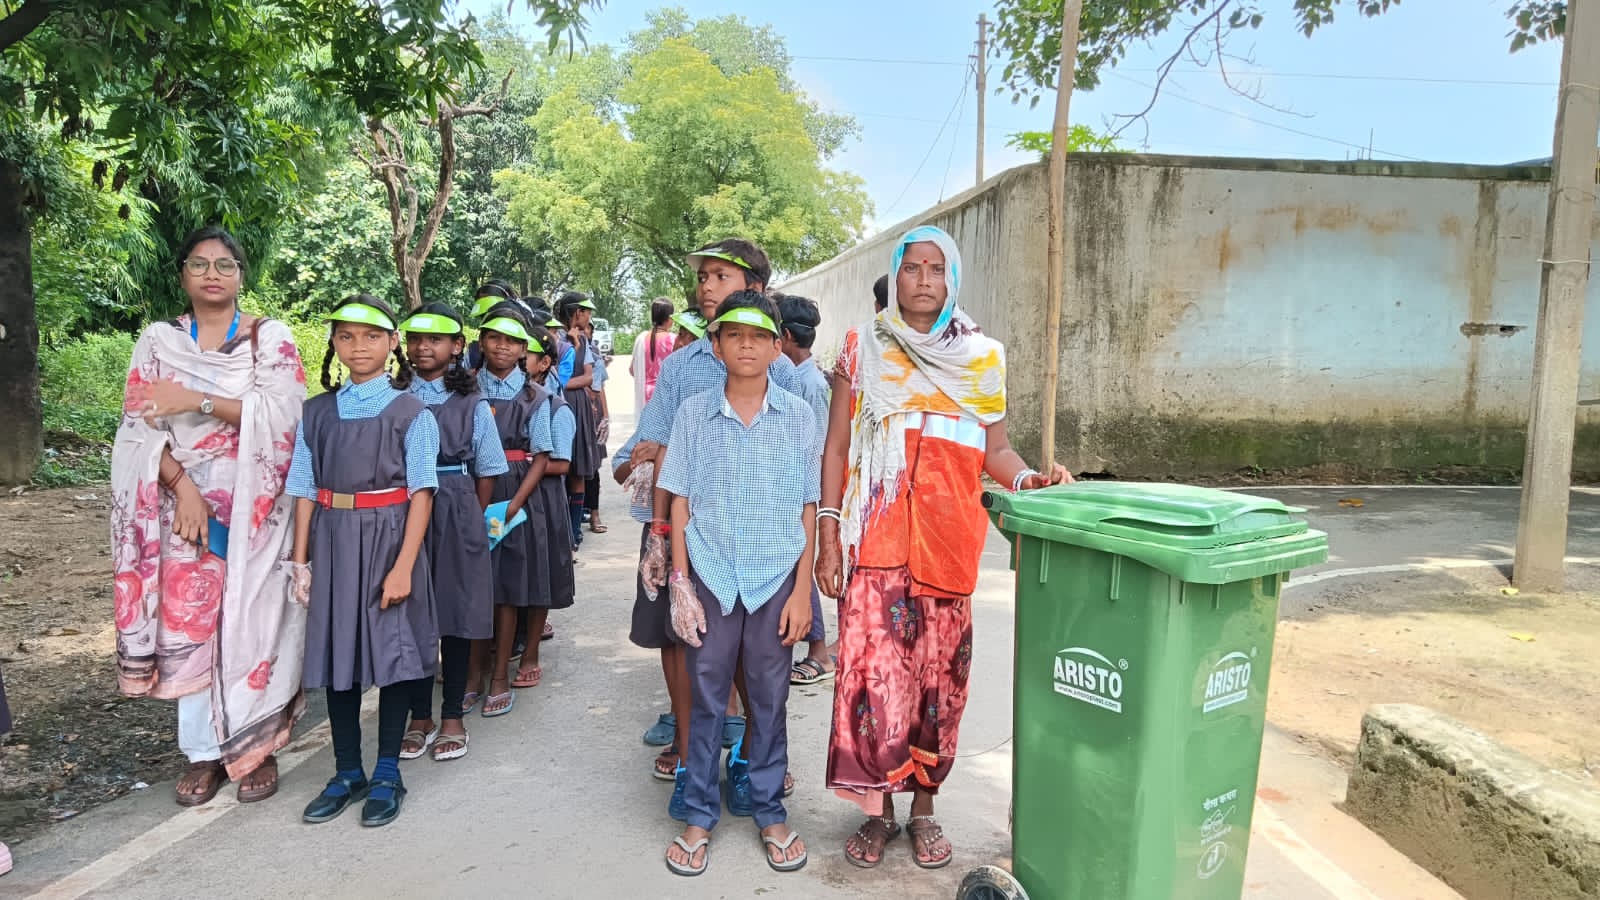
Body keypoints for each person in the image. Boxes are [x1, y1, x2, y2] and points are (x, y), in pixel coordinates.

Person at [818, 225, 1070, 868]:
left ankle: (924, 809)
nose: (924, 280)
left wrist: (1028, 481)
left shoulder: (982, 358)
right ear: (896, 274)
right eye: (913, 267)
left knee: (939, 684)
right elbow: (838, 447)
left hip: (948, 544)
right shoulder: (861, 348)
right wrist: (828, 533)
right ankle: (878, 811)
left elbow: (996, 450)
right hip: (874, 542)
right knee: (873, 683)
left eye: (937, 268)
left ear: (952, 278)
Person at [111, 225, 307, 808]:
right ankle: (202, 753)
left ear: (241, 275)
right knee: (191, 623)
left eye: (225, 264)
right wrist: (183, 488)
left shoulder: (269, 339)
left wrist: (194, 400)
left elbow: (284, 417)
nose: (212, 274)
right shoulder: (157, 341)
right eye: (199, 264)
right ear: (183, 275)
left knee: (253, 620)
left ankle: (257, 749)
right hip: (182, 508)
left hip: (258, 509)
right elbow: (136, 429)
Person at [613, 238, 801, 788]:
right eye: (703, 277)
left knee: (755, 647)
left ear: (756, 290)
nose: (707, 286)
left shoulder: (784, 375)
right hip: (684, 528)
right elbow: (647, 450)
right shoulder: (679, 368)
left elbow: (801, 473)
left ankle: (751, 751)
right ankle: (686, 739)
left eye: (721, 276)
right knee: (683, 636)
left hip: (759, 534)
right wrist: (658, 528)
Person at [657, 292, 818, 877]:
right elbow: (679, 500)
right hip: (711, 574)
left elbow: (808, 505)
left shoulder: (798, 415)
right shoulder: (694, 412)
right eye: (734, 335)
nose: (746, 345)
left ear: (777, 347)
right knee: (706, 696)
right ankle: (699, 814)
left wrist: (801, 591)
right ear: (717, 345)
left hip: (776, 575)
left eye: (758, 336)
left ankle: (770, 811)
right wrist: (680, 581)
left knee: (770, 697)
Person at [288, 295, 440, 828]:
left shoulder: (412, 412)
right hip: (332, 540)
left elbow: (422, 492)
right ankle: (347, 770)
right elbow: (304, 488)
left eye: (372, 336)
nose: (359, 346)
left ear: (392, 343)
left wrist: (404, 566)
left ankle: (387, 772)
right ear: (333, 342)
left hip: (389, 541)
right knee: (339, 657)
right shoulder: (316, 411)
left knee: (392, 654)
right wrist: (300, 561)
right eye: (346, 336)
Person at [400, 304, 508, 761]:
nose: (423, 347)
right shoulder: (393, 396)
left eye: (435, 339)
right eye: (415, 339)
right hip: (401, 509)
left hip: (456, 503)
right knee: (410, 612)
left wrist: (470, 517)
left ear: (457, 346)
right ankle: (418, 716)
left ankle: (451, 717)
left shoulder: (472, 403)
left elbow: (488, 469)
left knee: (457, 611)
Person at [474, 311, 554, 716]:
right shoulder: (467, 389)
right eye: (493, 337)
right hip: (472, 488)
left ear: (524, 349)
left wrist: (515, 504)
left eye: (511, 341)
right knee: (474, 583)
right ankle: (473, 671)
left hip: (515, 492)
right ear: (481, 342)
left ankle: (501, 676)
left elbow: (542, 456)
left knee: (508, 584)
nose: (501, 346)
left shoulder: (534, 397)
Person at [776, 294, 835, 687]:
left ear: (784, 337)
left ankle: (819, 651)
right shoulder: (804, 377)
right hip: (797, 481)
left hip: (804, 485)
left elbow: (817, 445)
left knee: (801, 565)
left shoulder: (806, 383)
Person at [555, 292, 602, 550]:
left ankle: (574, 531)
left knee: (579, 470)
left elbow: (588, 377)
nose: (588, 317)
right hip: (560, 405)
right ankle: (562, 530)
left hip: (578, 407)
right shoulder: (554, 338)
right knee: (560, 468)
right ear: (576, 313)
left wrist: (563, 383)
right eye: (586, 312)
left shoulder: (584, 341)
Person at [630, 298, 678, 413]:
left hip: (645, 397)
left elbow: (632, 370)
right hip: (666, 397)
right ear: (669, 318)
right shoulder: (673, 340)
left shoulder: (642, 338)